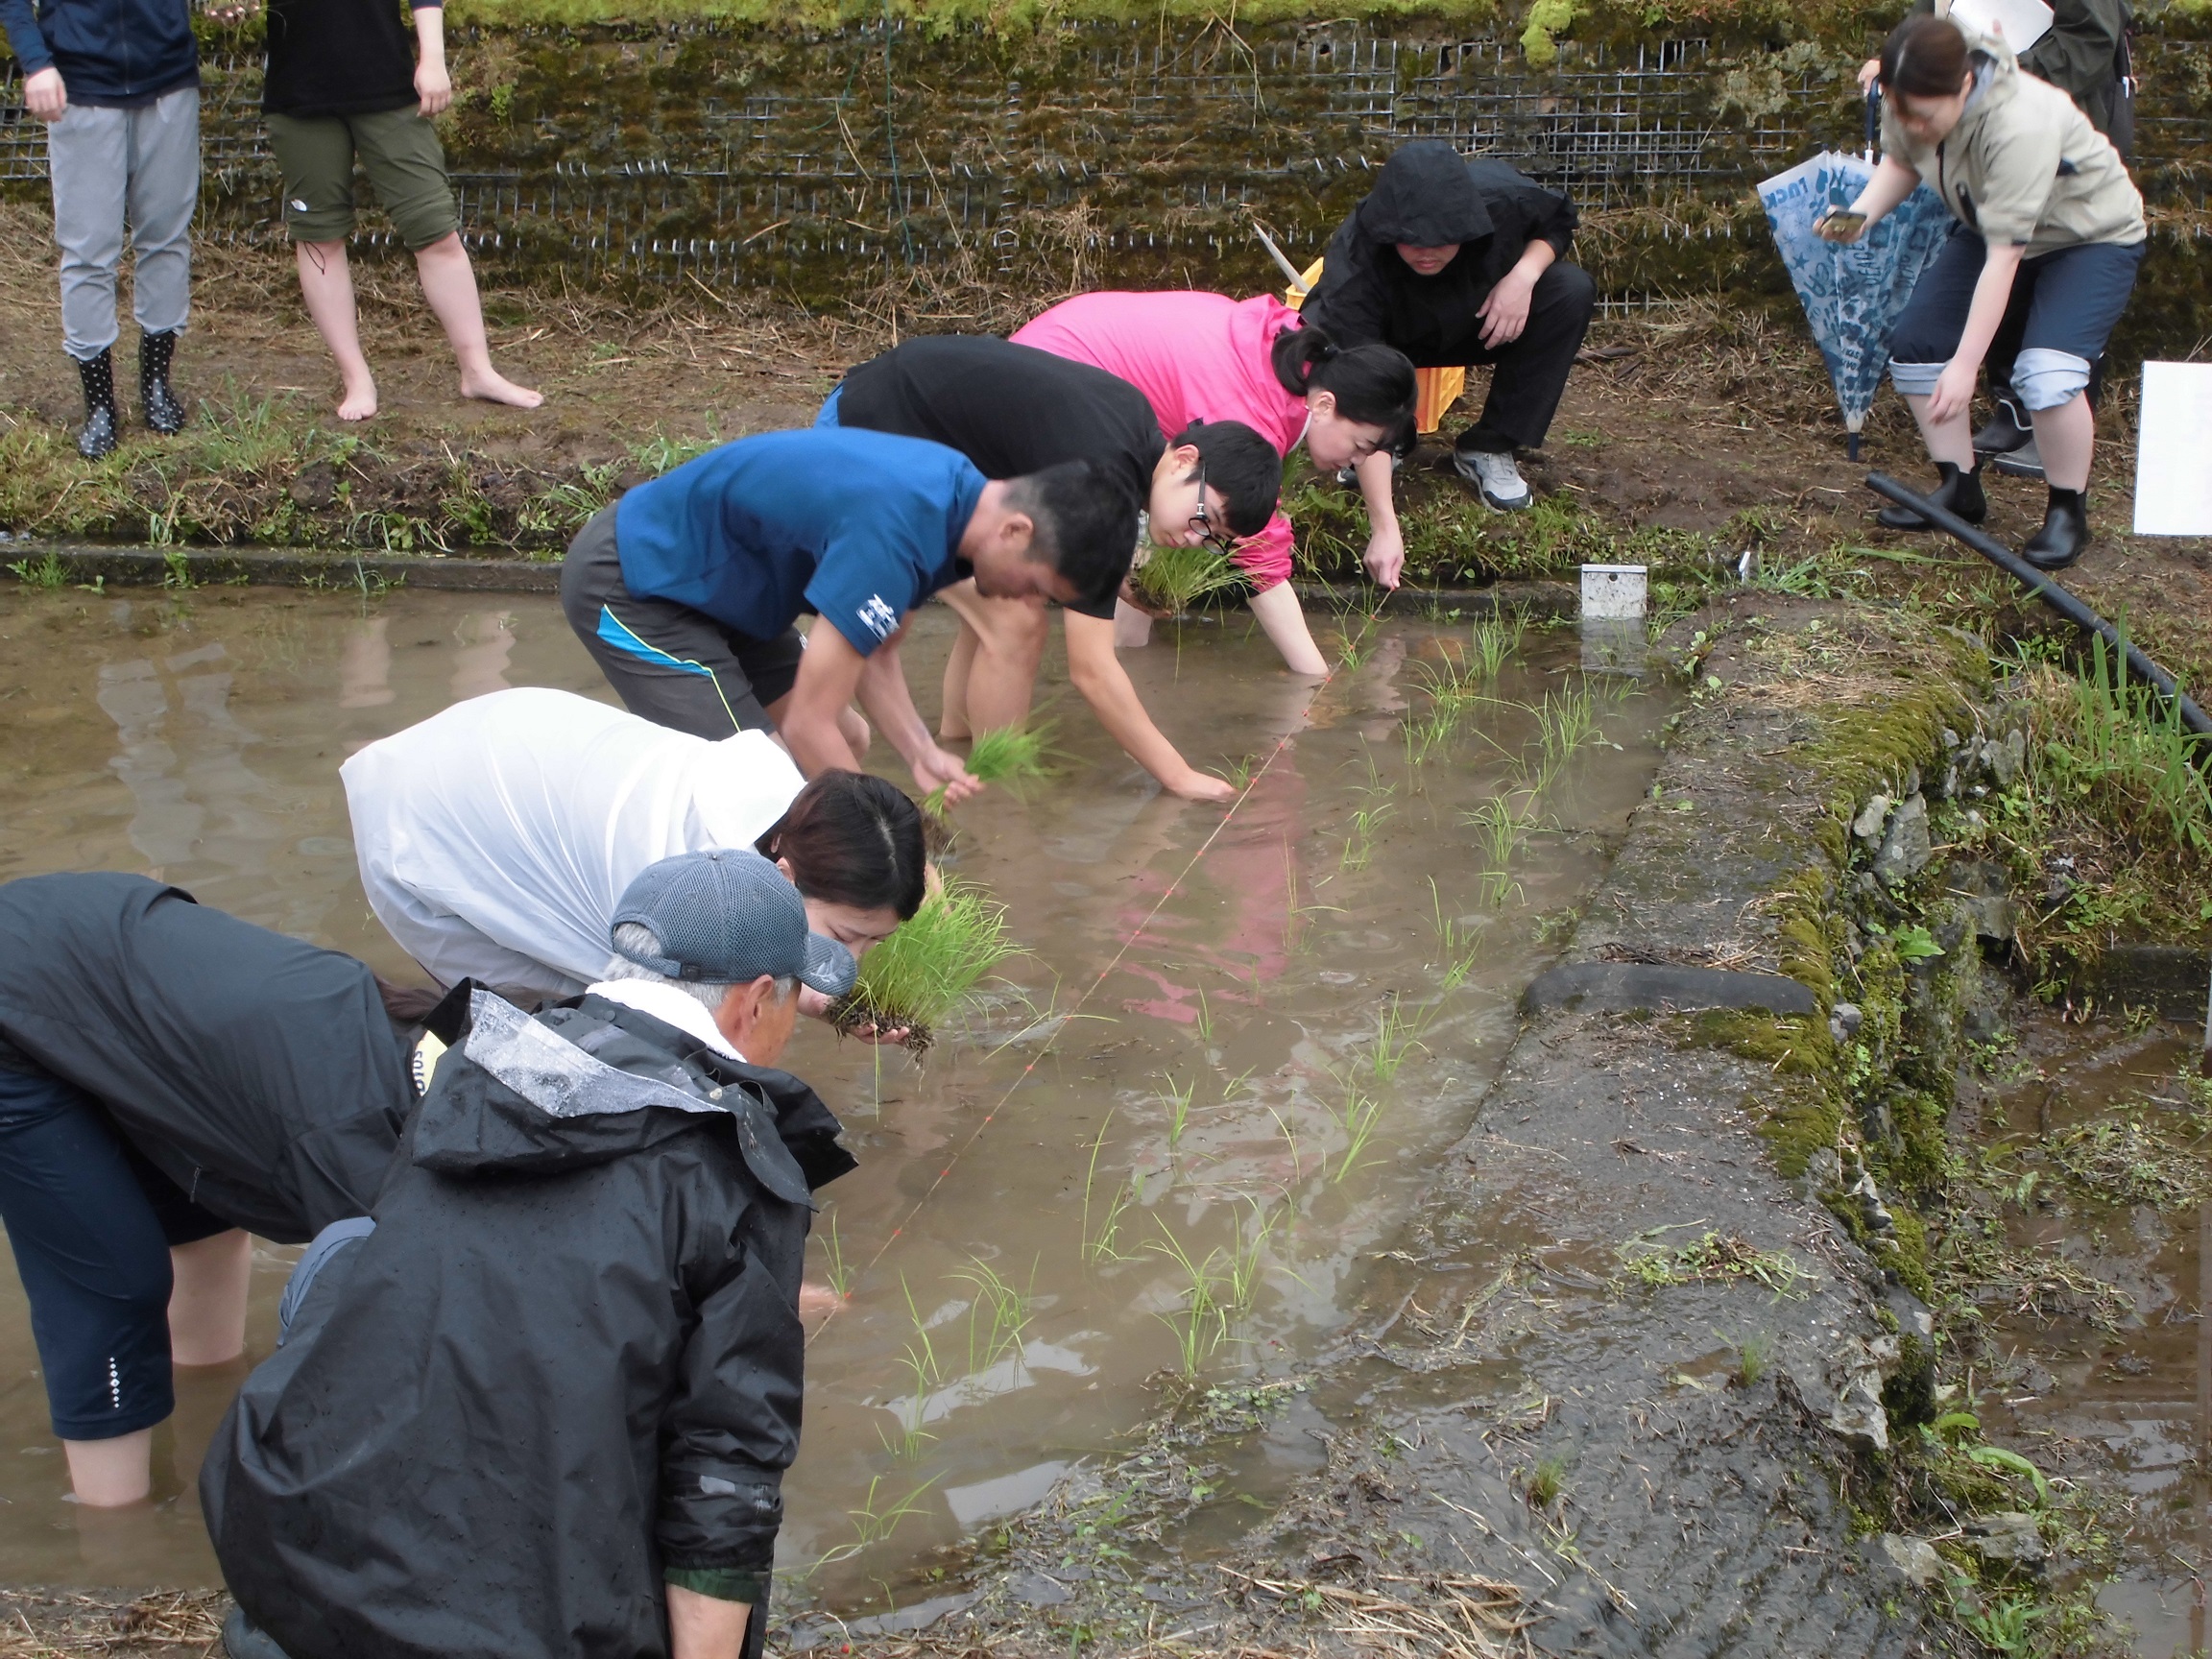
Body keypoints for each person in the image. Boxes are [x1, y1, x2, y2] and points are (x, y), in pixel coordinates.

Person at [204, 850, 858, 1659]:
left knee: (342, 1249)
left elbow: (545, 1261)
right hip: (523, 1638)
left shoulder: (475, 1071)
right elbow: (724, 1481)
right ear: (756, 1001)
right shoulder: (730, 1166)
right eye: (793, 995)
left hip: (295, 1593)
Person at [0, 872, 419, 1507]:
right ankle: (114, 1536)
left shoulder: (438, 1062)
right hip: (23, 997)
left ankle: (207, 1413)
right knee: (114, 1282)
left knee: (207, 1218)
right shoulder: (358, 1147)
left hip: (109, 950)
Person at [560, 426, 1139, 801]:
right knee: (759, 782)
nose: (1028, 602)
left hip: (727, 593)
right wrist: (893, 846)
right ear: (1017, 531)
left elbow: (877, 653)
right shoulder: (895, 532)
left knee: (848, 737)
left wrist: (919, 749)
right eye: (1037, 585)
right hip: (638, 581)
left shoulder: (958, 505)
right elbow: (807, 721)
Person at [823, 333, 1284, 802]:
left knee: (1005, 593)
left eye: (1212, 540)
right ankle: (997, 803)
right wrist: (1178, 775)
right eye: (1205, 518)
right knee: (1014, 622)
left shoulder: (1133, 429)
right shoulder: (1106, 482)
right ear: (1186, 459)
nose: (1193, 538)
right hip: (864, 432)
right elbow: (1092, 671)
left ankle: (957, 742)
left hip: (897, 420)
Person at [341, 685, 926, 1003]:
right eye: (847, 939)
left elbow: (781, 952)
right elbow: (676, 1028)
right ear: (787, 874)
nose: (853, 965)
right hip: (428, 826)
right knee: (554, 1034)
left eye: (873, 943)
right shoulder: (682, 891)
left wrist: (830, 1000)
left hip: (507, 741)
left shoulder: (796, 814)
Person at [1821, 13, 2145, 570]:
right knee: (1920, 344)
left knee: (2047, 371)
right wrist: (1857, 218)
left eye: (1924, 116)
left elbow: (2004, 261)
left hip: (2088, 238)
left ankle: (2068, 509)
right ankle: (1960, 487)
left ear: (1965, 86)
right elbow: (1905, 160)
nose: (1914, 125)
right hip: (1991, 226)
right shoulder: (1912, 97)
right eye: (1903, 113)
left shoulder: (2021, 123)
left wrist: (1968, 363)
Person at [1012, 294, 1417, 677]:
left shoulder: (1293, 356)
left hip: (1063, 364)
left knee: (1168, 525)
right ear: (1326, 404)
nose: (1359, 461)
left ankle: (1129, 658)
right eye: (1360, 447)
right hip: (1046, 386)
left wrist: (1386, 525)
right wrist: (1314, 680)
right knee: (1028, 609)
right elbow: (1260, 553)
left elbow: (1367, 435)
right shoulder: (1246, 410)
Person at [262, 0, 540, 421]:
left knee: (436, 230)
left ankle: (478, 371)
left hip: (388, 86)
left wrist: (433, 58)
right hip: (297, 96)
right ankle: (356, 378)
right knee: (319, 237)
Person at [1301, 139, 1595, 517]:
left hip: (1483, 320)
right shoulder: (1359, 249)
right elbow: (1355, 354)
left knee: (1570, 289)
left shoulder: (1503, 198)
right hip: (1390, 340)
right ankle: (1379, 443)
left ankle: (1489, 445)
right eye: (1409, 241)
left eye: (1442, 239)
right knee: (1327, 328)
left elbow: (1559, 221)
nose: (1426, 252)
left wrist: (1523, 276)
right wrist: (1381, 434)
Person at [0, 0, 202, 458]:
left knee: (166, 240)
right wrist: (35, 62)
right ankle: (100, 405)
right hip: (81, 87)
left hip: (168, 78)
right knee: (88, 252)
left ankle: (156, 384)